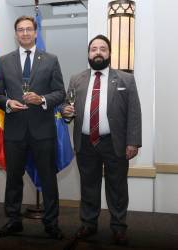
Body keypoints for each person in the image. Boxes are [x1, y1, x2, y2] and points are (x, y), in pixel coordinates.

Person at [62, 35, 142, 247]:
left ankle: (118, 228)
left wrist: (133, 142)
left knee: (117, 187)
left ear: (109, 53)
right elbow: (66, 108)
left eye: (102, 49)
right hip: (86, 142)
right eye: (93, 49)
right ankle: (88, 224)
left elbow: (134, 113)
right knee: (89, 186)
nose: (98, 52)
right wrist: (66, 112)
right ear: (88, 54)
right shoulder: (76, 79)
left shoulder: (126, 79)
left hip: (114, 142)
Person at [0, 16, 66, 239]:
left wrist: (41, 99)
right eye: (20, 30)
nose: (24, 33)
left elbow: (60, 93)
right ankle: (13, 221)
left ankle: (51, 223)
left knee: (48, 179)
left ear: (35, 32)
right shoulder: (4, 61)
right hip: (14, 131)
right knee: (13, 179)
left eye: (29, 29)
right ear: (16, 34)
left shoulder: (51, 60)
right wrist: (7, 103)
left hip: (43, 131)